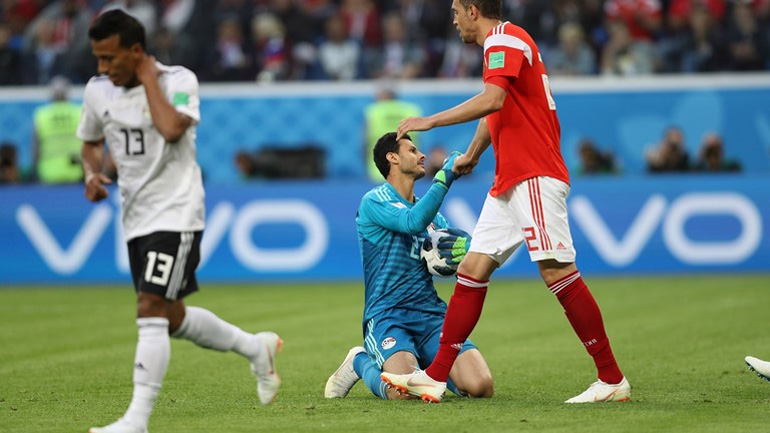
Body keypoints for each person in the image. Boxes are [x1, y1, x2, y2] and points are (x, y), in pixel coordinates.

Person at [380, 0, 630, 404]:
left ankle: (611, 377)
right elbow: (495, 110)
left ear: (473, 10)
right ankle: (436, 376)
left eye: (456, 11)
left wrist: (431, 120)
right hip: (508, 182)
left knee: (557, 271)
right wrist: (472, 154)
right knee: (472, 269)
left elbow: (492, 100)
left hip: (533, 174)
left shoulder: (504, 39)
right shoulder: (500, 46)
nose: (453, 20)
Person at [77, 10, 282, 433]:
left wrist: (148, 79)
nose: (102, 67)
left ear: (136, 51)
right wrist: (92, 173)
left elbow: (171, 129)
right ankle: (255, 348)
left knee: (149, 308)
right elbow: (92, 141)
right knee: (170, 316)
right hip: (135, 217)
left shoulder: (178, 81)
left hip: (177, 211)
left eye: (110, 57)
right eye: (98, 57)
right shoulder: (97, 91)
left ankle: (136, 421)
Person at [324, 132, 493, 402]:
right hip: (388, 315)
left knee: (481, 386)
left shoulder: (433, 215)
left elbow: (448, 260)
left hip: (430, 315)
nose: (422, 155)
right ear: (392, 158)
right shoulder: (375, 200)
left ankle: (425, 368)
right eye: (413, 150)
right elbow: (412, 222)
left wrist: (464, 250)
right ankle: (360, 361)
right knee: (403, 394)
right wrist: (445, 176)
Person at [364, 83, 421, 182]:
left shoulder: (373, 111)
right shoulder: (411, 110)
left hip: (378, 171)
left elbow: (364, 141)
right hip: (408, 169)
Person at [32, 76, 83, 184]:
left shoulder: (42, 115)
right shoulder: (79, 113)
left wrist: (34, 171)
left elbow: (35, 149)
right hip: (76, 172)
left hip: (48, 174)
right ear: (67, 92)